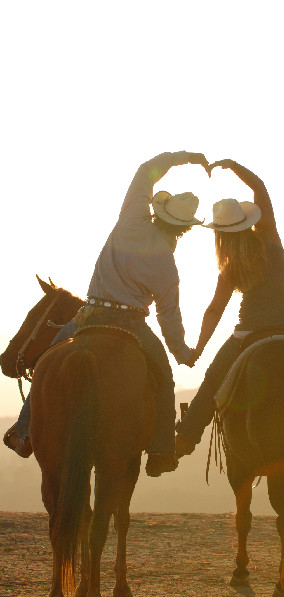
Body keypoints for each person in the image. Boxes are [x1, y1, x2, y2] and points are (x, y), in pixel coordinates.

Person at [6, 151, 209, 477]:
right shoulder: (168, 268)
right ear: (185, 229)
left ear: (158, 213)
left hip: (88, 316)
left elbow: (146, 171)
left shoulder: (131, 218)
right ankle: (160, 451)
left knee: (46, 363)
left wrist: (182, 157)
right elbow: (169, 319)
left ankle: (24, 432)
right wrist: (182, 352)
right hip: (132, 325)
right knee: (166, 380)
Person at [175, 158, 284, 457]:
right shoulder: (270, 237)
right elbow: (259, 186)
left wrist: (197, 349)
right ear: (248, 222)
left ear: (218, 233)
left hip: (248, 335)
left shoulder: (228, 265)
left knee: (212, 379)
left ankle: (185, 437)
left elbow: (214, 311)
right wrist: (233, 166)